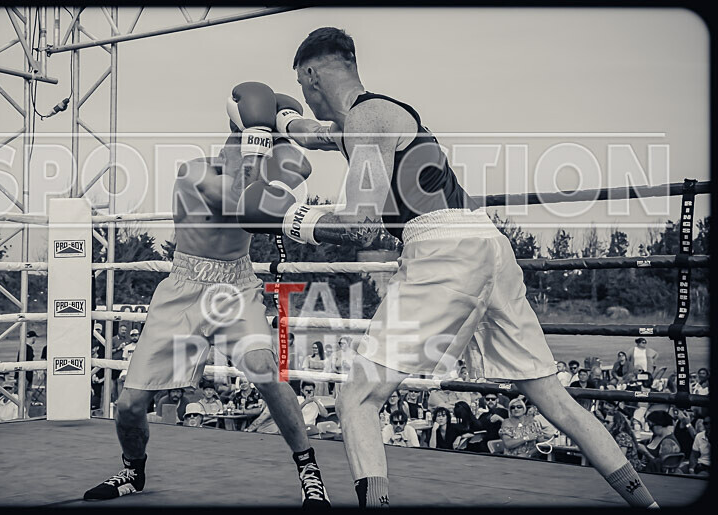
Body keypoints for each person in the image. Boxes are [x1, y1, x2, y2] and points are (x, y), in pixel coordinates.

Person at [241, 27, 659, 508]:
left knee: (356, 397)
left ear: (310, 74)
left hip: (441, 247)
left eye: (302, 87)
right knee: (552, 397)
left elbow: (361, 226)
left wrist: (291, 219)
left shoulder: (364, 121)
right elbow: (319, 137)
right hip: (487, 244)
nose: (307, 101)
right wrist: (282, 118)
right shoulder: (378, 115)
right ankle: (647, 504)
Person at [83, 90, 331, 506]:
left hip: (237, 287)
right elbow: (245, 207)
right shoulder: (195, 172)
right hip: (184, 288)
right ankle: (132, 470)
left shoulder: (269, 172)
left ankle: (309, 470)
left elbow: (291, 175)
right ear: (238, 132)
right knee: (130, 404)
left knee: (265, 372)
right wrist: (263, 145)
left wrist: (281, 135)